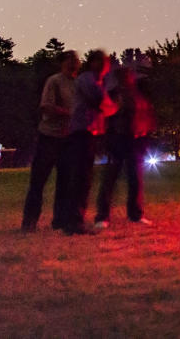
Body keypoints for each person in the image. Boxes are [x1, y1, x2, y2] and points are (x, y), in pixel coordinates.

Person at [58, 50, 117, 235]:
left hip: (91, 133)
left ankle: (76, 220)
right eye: (102, 62)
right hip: (81, 132)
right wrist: (113, 105)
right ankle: (72, 221)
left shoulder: (98, 82)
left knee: (85, 178)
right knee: (80, 177)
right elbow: (100, 101)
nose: (105, 66)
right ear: (93, 63)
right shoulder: (86, 80)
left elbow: (107, 107)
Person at [21, 50, 80, 231]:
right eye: (70, 61)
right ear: (63, 63)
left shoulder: (78, 84)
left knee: (65, 181)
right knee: (38, 180)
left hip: (68, 137)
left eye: (76, 61)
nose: (74, 64)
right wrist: (68, 114)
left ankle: (60, 220)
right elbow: (46, 106)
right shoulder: (55, 81)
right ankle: (30, 220)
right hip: (49, 136)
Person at [94, 64, 156, 227]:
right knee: (110, 180)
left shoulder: (138, 96)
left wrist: (144, 136)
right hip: (118, 141)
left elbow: (146, 117)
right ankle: (102, 216)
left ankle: (135, 214)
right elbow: (107, 116)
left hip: (134, 142)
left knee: (135, 180)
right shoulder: (114, 96)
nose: (126, 79)